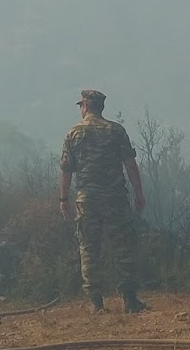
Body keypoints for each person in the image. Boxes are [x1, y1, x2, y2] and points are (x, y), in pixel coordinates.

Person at [58, 89, 147, 313]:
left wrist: (63, 199)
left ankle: (96, 303)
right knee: (123, 247)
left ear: (85, 106)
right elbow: (130, 164)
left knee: (89, 248)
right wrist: (138, 193)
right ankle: (129, 300)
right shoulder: (116, 131)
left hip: (86, 200)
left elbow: (66, 171)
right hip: (115, 198)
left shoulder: (73, 133)